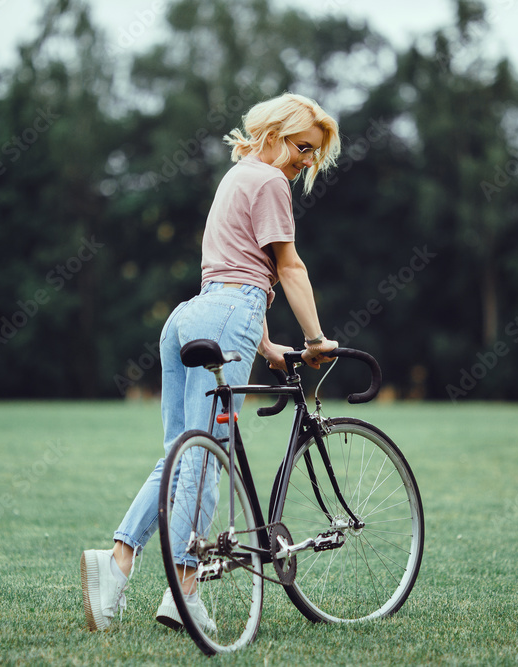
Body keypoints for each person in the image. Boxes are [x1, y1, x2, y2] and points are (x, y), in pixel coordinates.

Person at [81, 92, 342, 633]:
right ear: (274, 134)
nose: (306, 162)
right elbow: (287, 267)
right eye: (302, 147)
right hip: (228, 316)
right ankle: (184, 587)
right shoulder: (270, 181)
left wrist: (267, 346)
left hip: (191, 316)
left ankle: (119, 560)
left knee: (183, 453)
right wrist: (315, 338)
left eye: (314, 155)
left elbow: (242, 270)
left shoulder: (238, 176)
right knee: (206, 454)